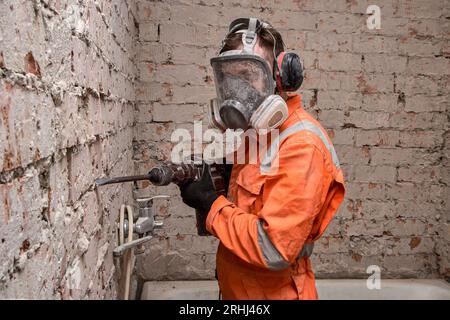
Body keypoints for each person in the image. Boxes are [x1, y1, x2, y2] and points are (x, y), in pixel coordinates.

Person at [179, 18, 345, 300]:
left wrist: (210, 204)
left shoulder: (302, 144)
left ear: (280, 77)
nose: (237, 89)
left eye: (247, 75)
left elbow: (273, 248)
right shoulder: (258, 135)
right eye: (230, 77)